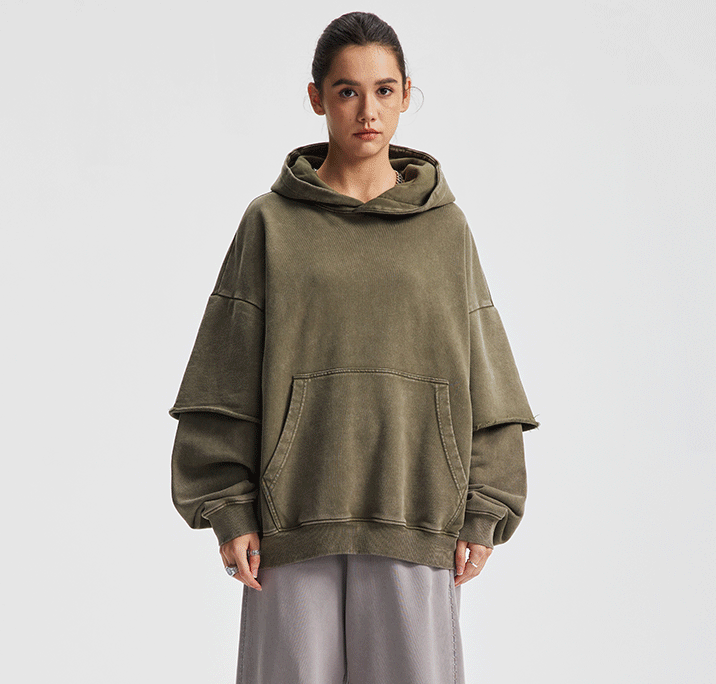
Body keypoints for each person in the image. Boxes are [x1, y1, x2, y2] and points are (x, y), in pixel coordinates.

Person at [168, 11, 538, 684]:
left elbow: (488, 380)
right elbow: (224, 375)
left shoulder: (445, 229)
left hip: (414, 514)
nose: (368, 111)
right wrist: (227, 507)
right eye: (347, 91)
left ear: (405, 94)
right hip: (290, 524)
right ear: (317, 98)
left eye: (385, 90)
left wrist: (485, 508)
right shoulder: (270, 224)